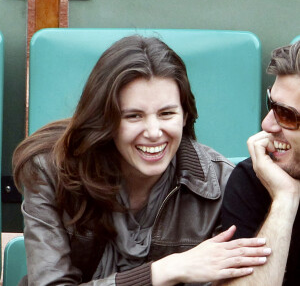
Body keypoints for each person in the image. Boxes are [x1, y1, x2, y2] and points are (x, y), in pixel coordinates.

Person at [13, 34, 270, 286]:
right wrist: (164, 271)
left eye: (166, 113)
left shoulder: (222, 184)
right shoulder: (49, 168)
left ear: (185, 115)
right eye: (133, 116)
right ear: (105, 120)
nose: (154, 132)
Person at [221, 40, 300, 286]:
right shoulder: (253, 179)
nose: (267, 124)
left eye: (286, 114)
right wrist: (285, 199)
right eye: (271, 105)